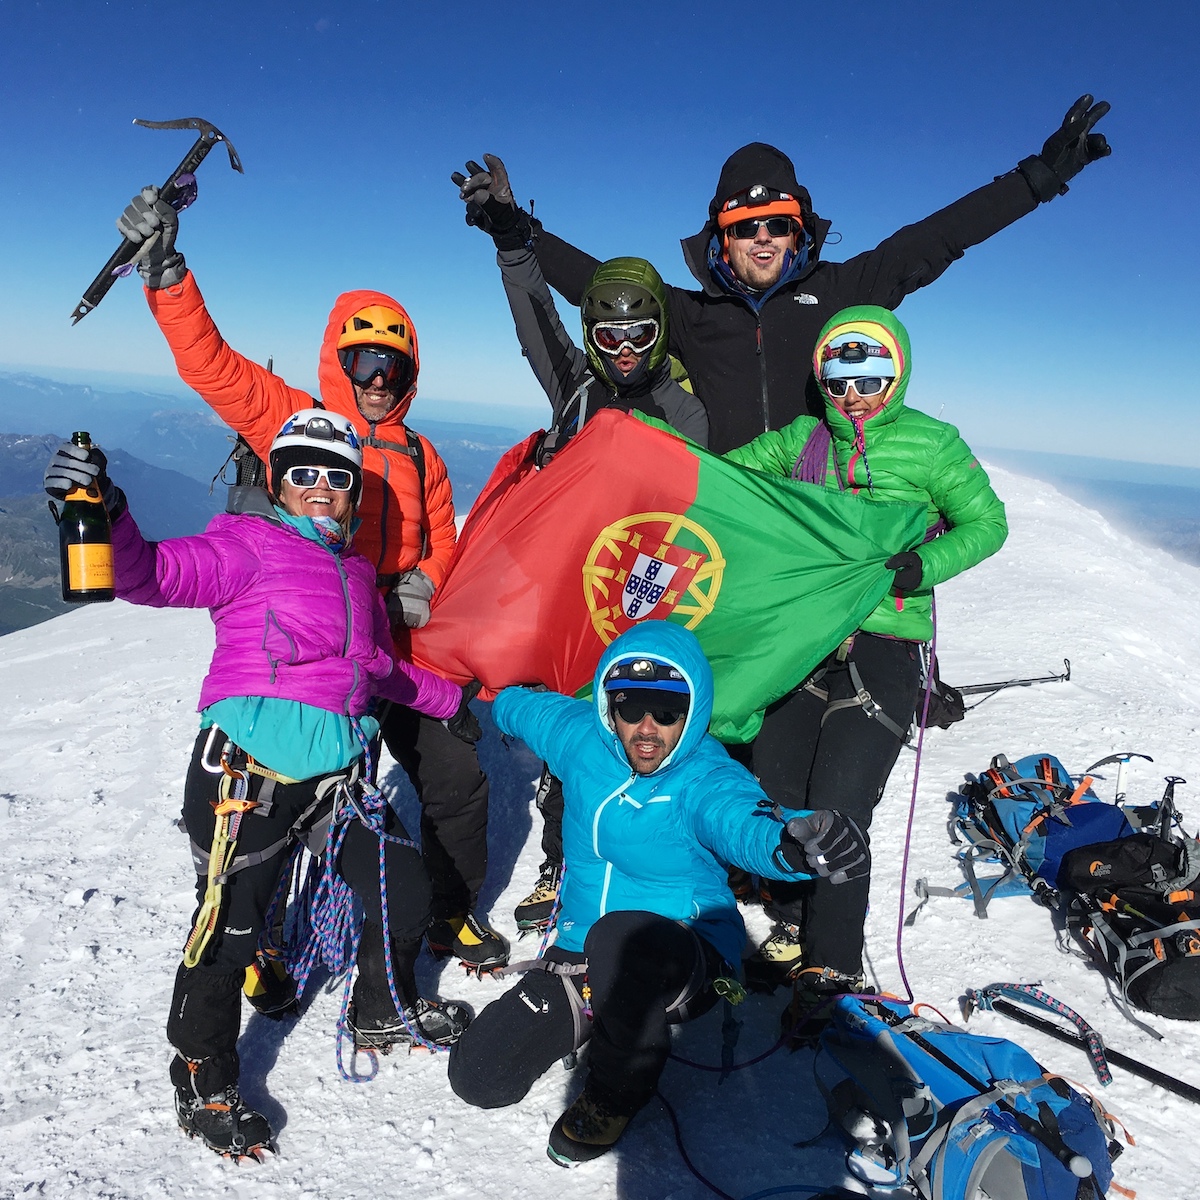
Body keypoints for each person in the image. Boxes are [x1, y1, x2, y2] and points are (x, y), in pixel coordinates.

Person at [43, 411, 478, 1159]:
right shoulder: (243, 545)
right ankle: (202, 1074)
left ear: (352, 494)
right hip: (243, 775)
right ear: (276, 483)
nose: (320, 488)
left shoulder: (354, 573)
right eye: (302, 473)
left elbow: (377, 667)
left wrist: (449, 704)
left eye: (336, 476)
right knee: (230, 928)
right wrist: (107, 515)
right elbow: (152, 573)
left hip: (331, 777)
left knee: (398, 880)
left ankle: (379, 1009)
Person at [113, 190, 508, 973]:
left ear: (409, 374)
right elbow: (213, 367)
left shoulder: (424, 455)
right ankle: (255, 933)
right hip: (314, 636)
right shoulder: (294, 417)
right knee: (302, 790)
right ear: (339, 360)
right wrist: (166, 273)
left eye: (392, 366)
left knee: (457, 779)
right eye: (362, 362)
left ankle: (446, 911)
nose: (376, 379)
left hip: (399, 635)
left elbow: (443, 537)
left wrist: (421, 586)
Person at [447, 621, 870, 1166]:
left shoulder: (702, 776)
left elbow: (743, 819)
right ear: (608, 706)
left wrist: (789, 842)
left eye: (668, 712)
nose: (647, 729)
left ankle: (618, 1090)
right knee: (480, 1077)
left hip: (687, 957)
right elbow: (528, 710)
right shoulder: (582, 737)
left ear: (690, 713)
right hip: (580, 955)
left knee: (623, 937)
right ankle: (595, 1012)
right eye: (631, 708)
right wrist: (485, 695)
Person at [523, 95, 1111, 452]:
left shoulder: (837, 292)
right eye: (745, 226)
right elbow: (608, 289)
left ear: (798, 232)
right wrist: (517, 232)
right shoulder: (691, 317)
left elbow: (934, 241)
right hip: (726, 526)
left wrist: (1035, 181)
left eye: (776, 224)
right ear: (721, 240)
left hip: (817, 527)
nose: (762, 238)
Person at [451, 155, 710, 934]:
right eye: (607, 331)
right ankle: (566, 864)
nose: (622, 345)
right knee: (570, 724)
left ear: (659, 329)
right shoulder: (579, 384)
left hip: (639, 588)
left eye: (637, 331)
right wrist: (509, 238)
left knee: (617, 718)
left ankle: (617, 861)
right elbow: (537, 322)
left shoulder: (684, 409)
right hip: (566, 581)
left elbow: (693, 505)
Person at [724, 305, 1007, 1009]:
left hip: (886, 637)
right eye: (838, 379)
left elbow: (988, 522)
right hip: (807, 635)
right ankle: (791, 921)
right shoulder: (803, 439)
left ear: (897, 372)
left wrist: (920, 565)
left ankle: (833, 964)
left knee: (842, 803)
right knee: (778, 783)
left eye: (871, 376)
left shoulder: (933, 444)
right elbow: (724, 479)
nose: (853, 395)